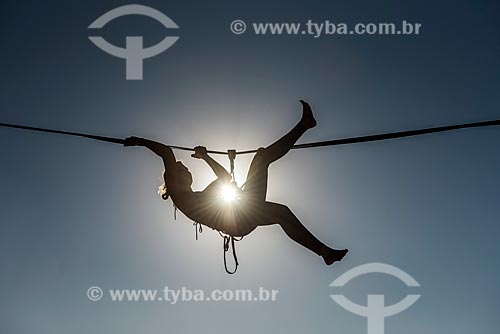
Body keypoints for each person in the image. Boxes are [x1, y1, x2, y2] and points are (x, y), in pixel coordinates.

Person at [124, 100, 348, 265]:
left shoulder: (197, 196)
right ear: (173, 178)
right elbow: (166, 153)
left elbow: (225, 179)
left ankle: (305, 125)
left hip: (242, 213)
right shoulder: (180, 196)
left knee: (261, 159)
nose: (186, 169)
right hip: (239, 220)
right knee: (282, 212)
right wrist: (139, 141)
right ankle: (323, 251)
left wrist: (206, 157)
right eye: (182, 169)